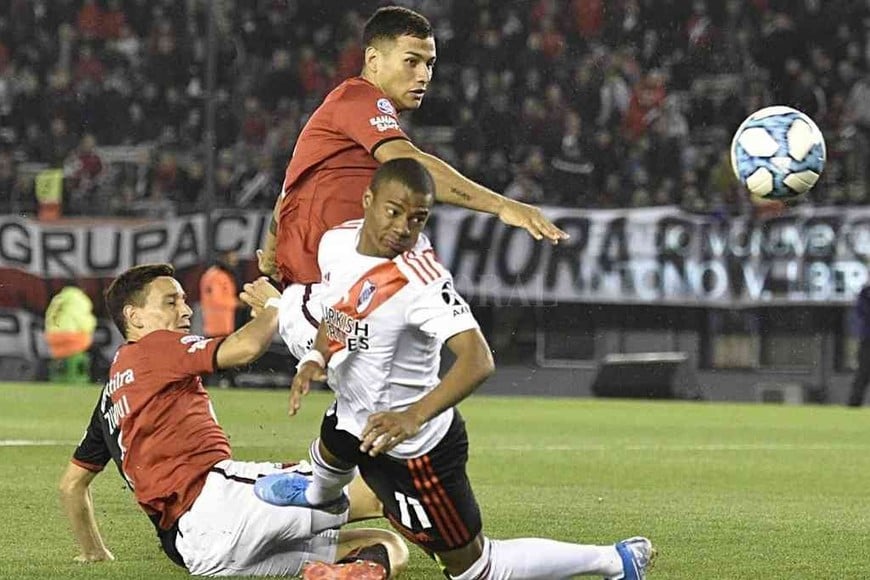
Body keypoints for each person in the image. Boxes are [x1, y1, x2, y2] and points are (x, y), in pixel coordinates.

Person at [256, 159, 655, 580]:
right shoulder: (335, 243)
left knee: (472, 569)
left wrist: (413, 416)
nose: (404, 228)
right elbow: (341, 309)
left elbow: (479, 359)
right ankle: (319, 496)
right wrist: (315, 358)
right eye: (394, 212)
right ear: (368, 200)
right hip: (356, 415)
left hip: (413, 449)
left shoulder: (420, 280)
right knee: (331, 451)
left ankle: (615, 560)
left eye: (418, 218)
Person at [58, 263, 409, 579]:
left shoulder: (110, 399)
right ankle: (462, 556)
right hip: (220, 504)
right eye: (171, 302)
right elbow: (244, 347)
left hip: (196, 551)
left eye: (183, 300)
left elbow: (72, 485)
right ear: (134, 317)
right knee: (382, 490)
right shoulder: (154, 348)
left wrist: (94, 553)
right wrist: (277, 305)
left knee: (384, 544)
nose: (185, 310)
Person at [257, 6, 568, 355]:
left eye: (430, 64)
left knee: (401, 373)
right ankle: (277, 312)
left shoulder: (348, 116)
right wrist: (501, 205)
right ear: (373, 60)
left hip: (343, 289)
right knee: (370, 361)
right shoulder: (357, 99)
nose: (424, 75)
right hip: (319, 294)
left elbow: (289, 187)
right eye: (411, 61)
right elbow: (412, 165)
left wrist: (270, 252)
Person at [849, 283, 870, 407]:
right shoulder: (866, 292)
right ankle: (854, 406)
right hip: (868, 340)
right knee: (863, 374)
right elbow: (861, 311)